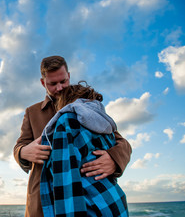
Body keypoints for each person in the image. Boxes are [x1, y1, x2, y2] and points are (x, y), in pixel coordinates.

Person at [13, 56, 132, 217]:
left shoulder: (86, 104)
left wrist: (114, 159)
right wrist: (23, 152)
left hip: (86, 198)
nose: (60, 88)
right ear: (43, 83)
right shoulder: (32, 112)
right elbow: (19, 145)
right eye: (53, 84)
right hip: (42, 203)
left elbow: (120, 141)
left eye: (63, 81)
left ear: (68, 76)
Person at [40, 82, 128, 216]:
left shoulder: (68, 120)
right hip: (113, 200)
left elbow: (67, 185)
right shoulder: (103, 122)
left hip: (92, 207)